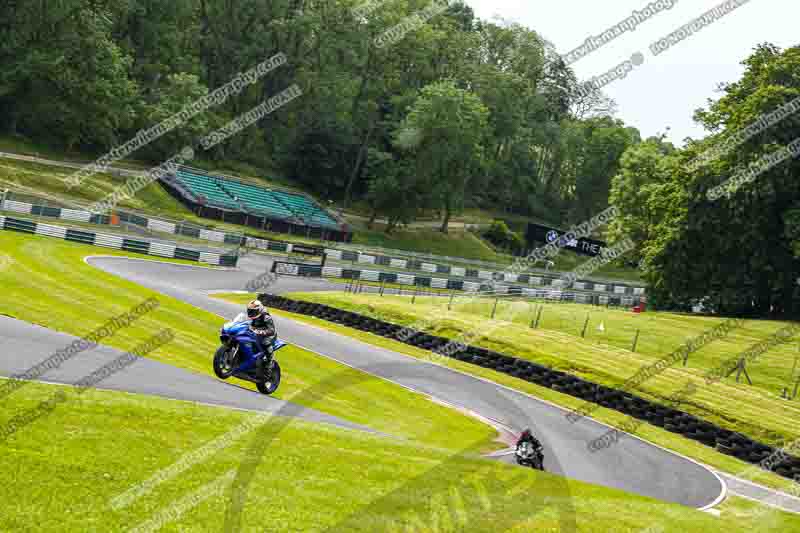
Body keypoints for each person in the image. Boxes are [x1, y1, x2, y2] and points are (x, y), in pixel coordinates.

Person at [246, 300, 277, 376]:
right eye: (249, 310)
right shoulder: (254, 316)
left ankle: (269, 364)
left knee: (265, 342)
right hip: (257, 332)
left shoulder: (266, 316)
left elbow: (271, 330)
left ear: (259, 310)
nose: (251, 313)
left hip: (269, 335)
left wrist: (261, 332)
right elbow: (249, 324)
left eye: (252, 311)